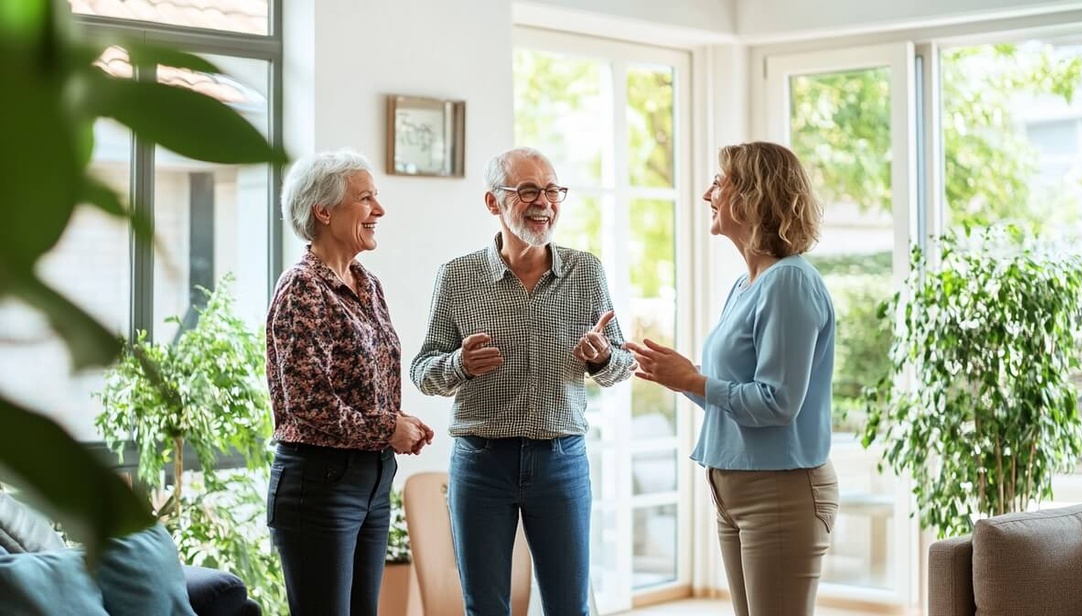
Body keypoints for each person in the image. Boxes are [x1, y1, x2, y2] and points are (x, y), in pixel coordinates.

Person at [410, 147, 634, 616]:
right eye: (528, 191)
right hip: (481, 464)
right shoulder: (457, 277)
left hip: (561, 462)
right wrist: (459, 365)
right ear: (493, 202)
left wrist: (602, 357)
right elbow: (423, 372)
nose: (544, 203)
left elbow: (621, 365)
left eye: (552, 190)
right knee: (485, 608)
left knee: (569, 607)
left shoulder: (586, 272)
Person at [625, 141, 839, 616]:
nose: (708, 194)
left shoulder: (789, 282)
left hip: (778, 492)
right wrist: (682, 378)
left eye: (719, 183)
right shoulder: (745, 285)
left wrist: (695, 381)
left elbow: (778, 403)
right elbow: (737, 397)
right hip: (734, 490)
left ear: (753, 196)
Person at [265, 149, 433, 616]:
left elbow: (361, 386)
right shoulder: (302, 288)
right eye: (366, 198)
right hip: (320, 486)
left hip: (371, 481)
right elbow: (309, 403)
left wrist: (398, 421)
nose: (380, 210)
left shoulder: (367, 283)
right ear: (323, 211)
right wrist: (388, 428)